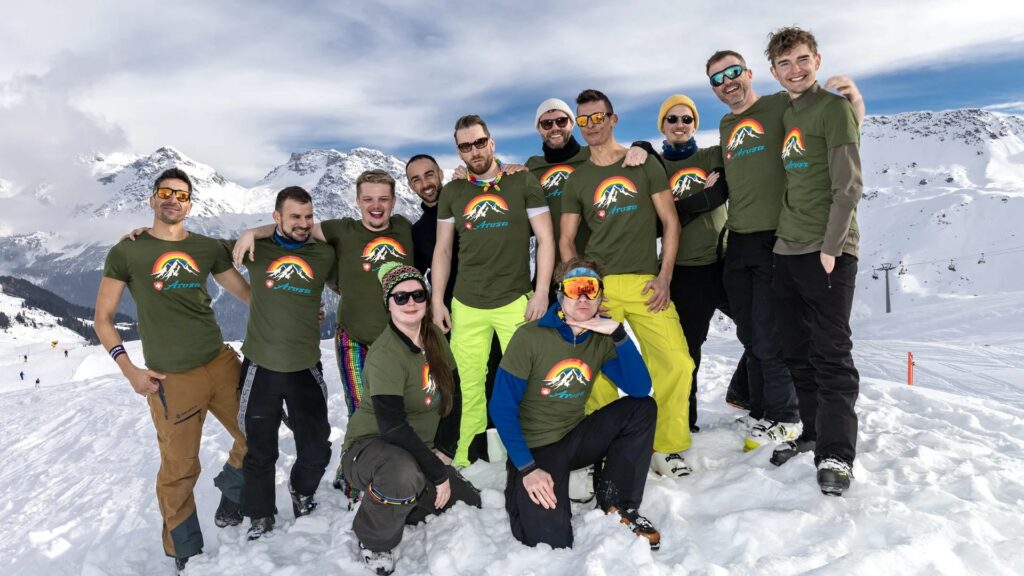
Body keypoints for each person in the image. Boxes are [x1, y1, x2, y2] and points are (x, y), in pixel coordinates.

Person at [705, 49, 865, 453]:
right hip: (738, 237)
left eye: (734, 72)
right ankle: (761, 407)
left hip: (778, 236)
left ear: (752, 73)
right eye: (718, 78)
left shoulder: (780, 104)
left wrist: (856, 103)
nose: (728, 82)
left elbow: (827, 126)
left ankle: (784, 415)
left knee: (772, 331)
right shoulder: (726, 124)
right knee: (750, 330)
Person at [93, 168, 249, 572]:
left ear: (191, 204)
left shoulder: (206, 246)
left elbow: (246, 294)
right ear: (152, 199)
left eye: (181, 195)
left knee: (257, 434)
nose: (173, 200)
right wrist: (129, 370)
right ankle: (186, 552)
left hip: (219, 362)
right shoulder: (128, 251)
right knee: (179, 469)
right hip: (171, 379)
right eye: (165, 192)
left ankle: (231, 495)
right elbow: (103, 319)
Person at [233, 170, 412, 498]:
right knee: (361, 410)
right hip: (354, 337)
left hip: (399, 338)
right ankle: (355, 477)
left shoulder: (404, 228)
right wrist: (251, 232)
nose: (376, 205)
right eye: (368, 199)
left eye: (383, 199)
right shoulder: (340, 229)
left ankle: (397, 470)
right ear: (357, 201)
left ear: (393, 201)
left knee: (399, 406)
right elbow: (294, 230)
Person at [560, 89, 696, 477]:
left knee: (676, 362)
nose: (591, 126)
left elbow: (669, 221)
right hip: (598, 288)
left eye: (597, 117)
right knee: (595, 370)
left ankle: (666, 446)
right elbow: (567, 239)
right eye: (583, 120)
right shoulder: (578, 180)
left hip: (645, 283)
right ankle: (599, 449)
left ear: (613, 118)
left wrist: (665, 276)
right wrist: (581, 289)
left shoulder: (643, 165)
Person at [491, 258, 659, 549]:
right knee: (550, 542)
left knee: (642, 409)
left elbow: (640, 388)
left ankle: (619, 505)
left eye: (590, 288)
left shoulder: (600, 338)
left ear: (600, 296)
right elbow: (501, 408)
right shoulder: (529, 337)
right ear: (560, 294)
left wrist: (619, 335)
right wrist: (527, 469)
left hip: (576, 436)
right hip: (536, 449)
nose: (582, 296)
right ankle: (518, 486)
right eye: (574, 287)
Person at [765, 27, 863, 496]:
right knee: (795, 350)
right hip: (787, 249)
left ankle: (837, 454)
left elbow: (849, 186)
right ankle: (812, 432)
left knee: (830, 354)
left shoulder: (833, 108)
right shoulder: (787, 112)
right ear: (774, 71)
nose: (795, 69)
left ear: (817, 60)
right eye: (785, 63)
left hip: (828, 251)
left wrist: (831, 247)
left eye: (802, 60)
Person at [432, 114, 555, 468]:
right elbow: (443, 250)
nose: (474, 151)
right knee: (467, 386)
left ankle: (537, 454)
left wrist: (541, 291)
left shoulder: (522, 181)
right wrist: (438, 300)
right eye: (465, 146)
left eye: (479, 142)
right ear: (458, 150)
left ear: (492, 141)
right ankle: (464, 461)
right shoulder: (453, 191)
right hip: (466, 304)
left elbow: (546, 239)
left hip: (515, 299)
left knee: (528, 381)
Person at [342, 262, 480, 576]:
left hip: (416, 449)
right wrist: (437, 471)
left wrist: (444, 450)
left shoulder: (433, 338)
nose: (411, 303)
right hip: (371, 449)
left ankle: (402, 501)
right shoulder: (385, 354)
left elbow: (453, 393)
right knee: (402, 473)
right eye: (400, 297)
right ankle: (374, 540)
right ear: (387, 304)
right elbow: (392, 426)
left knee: (467, 503)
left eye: (417, 295)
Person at [233, 186, 337, 539]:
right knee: (260, 450)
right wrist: (145, 238)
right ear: (276, 216)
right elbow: (202, 251)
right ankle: (261, 515)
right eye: (295, 216)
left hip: (305, 367)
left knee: (318, 447)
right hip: (261, 368)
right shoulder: (256, 249)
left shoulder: (323, 254)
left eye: (308, 216)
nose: (304, 223)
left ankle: (301, 489)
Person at [654, 94, 752, 434]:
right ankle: (684, 420)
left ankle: (748, 396)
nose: (679, 125)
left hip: (725, 263)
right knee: (687, 352)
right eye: (672, 120)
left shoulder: (712, 155)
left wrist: (677, 210)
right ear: (663, 126)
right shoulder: (656, 168)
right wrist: (698, 200)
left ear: (695, 123)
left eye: (686, 119)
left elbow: (719, 193)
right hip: (684, 272)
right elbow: (655, 223)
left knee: (762, 333)